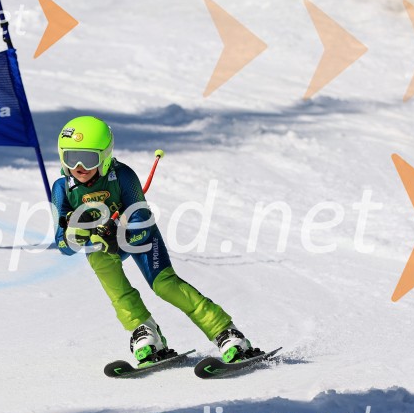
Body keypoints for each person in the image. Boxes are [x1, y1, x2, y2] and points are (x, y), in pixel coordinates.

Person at [51, 116, 263, 366]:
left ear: (105, 156)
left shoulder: (122, 176)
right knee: (103, 265)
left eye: (88, 158)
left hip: (138, 238)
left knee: (165, 285)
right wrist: (72, 235)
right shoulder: (62, 188)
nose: (79, 166)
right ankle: (144, 332)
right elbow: (62, 246)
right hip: (103, 246)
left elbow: (142, 220)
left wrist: (117, 232)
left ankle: (225, 332)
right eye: (70, 157)